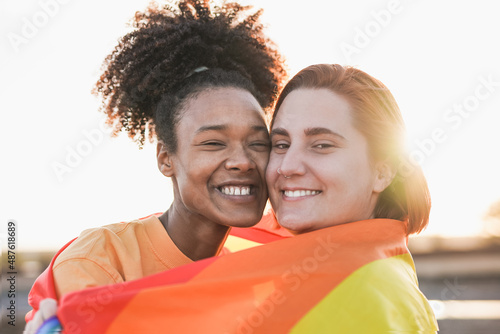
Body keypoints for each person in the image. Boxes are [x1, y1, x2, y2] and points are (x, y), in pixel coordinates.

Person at [37, 64, 438, 333]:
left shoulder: (361, 285)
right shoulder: (272, 267)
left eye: (321, 145)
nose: (247, 163)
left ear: (384, 169)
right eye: (280, 143)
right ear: (166, 157)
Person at [24, 0, 287, 331]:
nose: (242, 161)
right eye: (213, 143)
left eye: (257, 143)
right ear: (166, 158)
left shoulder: (262, 268)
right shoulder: (99, 260)